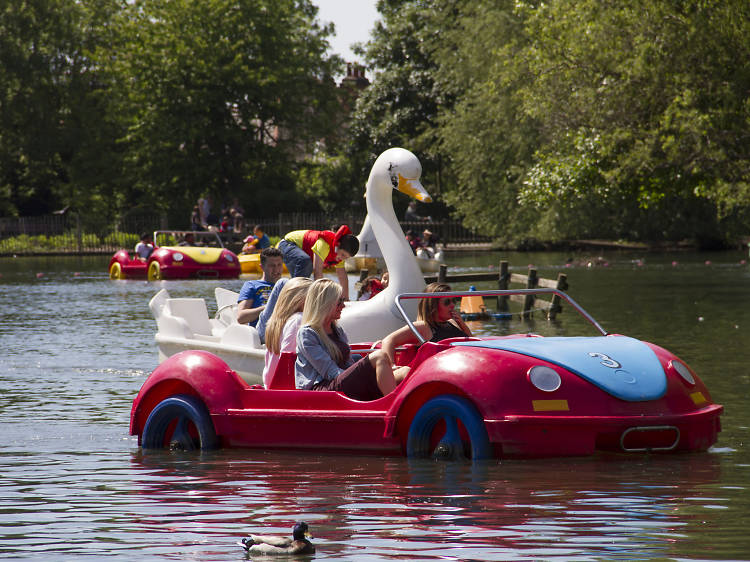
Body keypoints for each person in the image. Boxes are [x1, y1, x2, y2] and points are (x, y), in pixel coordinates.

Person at [295, 279, 407, 400]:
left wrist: (371, 373)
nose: (343, 306)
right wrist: (363, 375)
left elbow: (348, 364)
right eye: (339, 302)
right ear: (325, 304)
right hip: (322, 389)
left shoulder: (337, 330)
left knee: (405, 371)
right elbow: (329, 372)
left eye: (343, 301)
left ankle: (408, 407)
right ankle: (393, 407)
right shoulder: (307, 334)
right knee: (379, 357)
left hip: (340, 381)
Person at [381, 282, 473, 371]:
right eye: (447, 302)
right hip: (435, 374)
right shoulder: (423, 326)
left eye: (454, 301)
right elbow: (388, 340)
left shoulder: (453, 322)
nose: (452, 305)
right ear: (433, 306)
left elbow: (472, 343)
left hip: (461, 367)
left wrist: (462, 324)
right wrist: (391, 366)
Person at [277, 225, 359, 300]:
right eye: (343, 254)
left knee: (304, 279)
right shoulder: (324, 245)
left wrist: (346, 298)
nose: (342, 258)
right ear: (338, 245)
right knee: (305, 263)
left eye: (346, 257)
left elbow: (342, 275)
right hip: (287, 244)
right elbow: (317, 271)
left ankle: (294, 296)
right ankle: (295, 298)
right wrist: (321, 297)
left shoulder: (339, 255)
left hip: (300, 255)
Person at [262, 277, 313, 387]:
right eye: (314, 298)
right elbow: (287, 361)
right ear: (301, 301)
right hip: (285, 388)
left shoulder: (275, 322)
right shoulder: (298, 320)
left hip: (270, 386)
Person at [237, 247, 284, 328]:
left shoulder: (287, 286)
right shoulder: (252, 285)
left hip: (284, 328)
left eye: (279, 265)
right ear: (262, 267)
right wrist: (269, 307)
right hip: (264, 329)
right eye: (272, 266)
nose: (276, 269)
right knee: (284, 282)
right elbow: (241, 317)